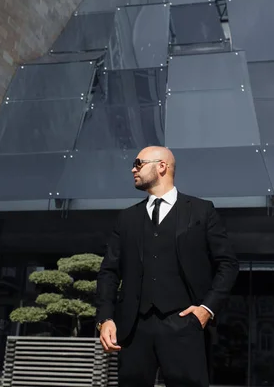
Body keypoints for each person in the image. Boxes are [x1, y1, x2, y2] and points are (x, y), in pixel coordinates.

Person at [95, 146, 239, 387]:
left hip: (185, 325)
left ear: (162, 166)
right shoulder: (126, 218)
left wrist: (206, 309)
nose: (133, 169)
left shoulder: (202, 211)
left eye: (139, 163)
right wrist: (105, 318)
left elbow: (228, 264)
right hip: (134, 328)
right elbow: (109, 271)